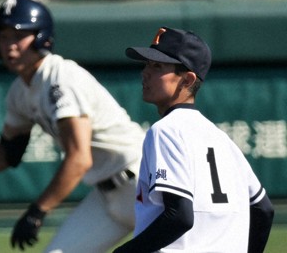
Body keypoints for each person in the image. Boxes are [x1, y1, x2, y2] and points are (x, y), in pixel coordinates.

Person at [0, 0, 145, 253]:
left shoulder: (61, 79)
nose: (9, 46)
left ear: (42, 37)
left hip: (143, 187)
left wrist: (38, 210)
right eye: (3, 37)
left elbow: (79, 159)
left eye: (18, 35)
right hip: (106, 198)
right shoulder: (20, 91)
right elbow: (9, 151)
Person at [113, 26, 274, 253]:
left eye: (157, 66)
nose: (145, 72)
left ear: (187, 80)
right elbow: (263, 209)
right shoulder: (221, 138)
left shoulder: (165, 130)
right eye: (147, 64)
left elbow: (179, 217)